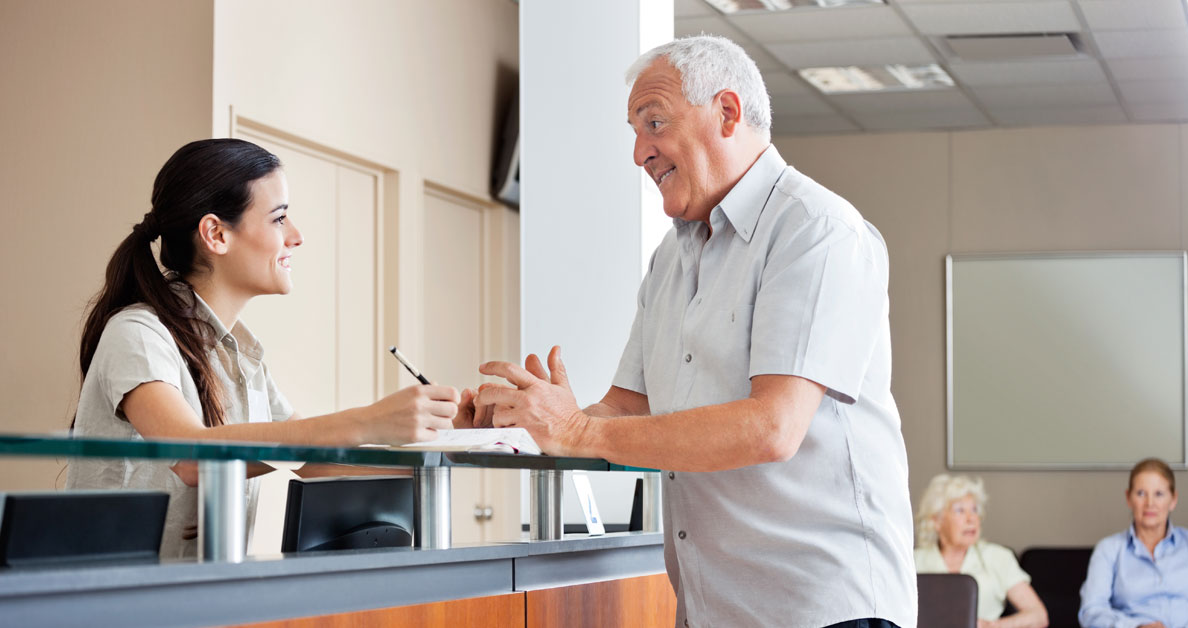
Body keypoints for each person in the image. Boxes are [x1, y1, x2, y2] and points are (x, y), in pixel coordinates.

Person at [471, 35, 917, 628]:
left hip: (822, 609)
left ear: (727, 112)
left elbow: (773, 427)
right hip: (714, 608)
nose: (639, 153)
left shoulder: (817, 230)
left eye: (654, 123)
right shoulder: (671, 257)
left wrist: (576, 430)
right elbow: (624, 410)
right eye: (635, 131)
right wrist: (530, 419)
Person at [67, 138, 467, 559]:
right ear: (216, 234)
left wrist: (452, 435)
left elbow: (314, 461)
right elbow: (191, 457)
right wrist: (367, 421)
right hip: (115, 593)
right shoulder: (136, 333)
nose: (297, 236)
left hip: (200, 591)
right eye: (279, 218)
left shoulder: (243, 356)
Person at [913, 474, 1049, 628]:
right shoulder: (914, 561)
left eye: (974, 510)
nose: (971, 519)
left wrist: (992, 626)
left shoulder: (998, 557)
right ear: (936, 521)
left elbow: (1039, 616)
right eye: (960, 510)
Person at [1079, 458, 1188, 628]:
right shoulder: (1109, 550)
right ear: (1128, 498)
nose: (1150, 503)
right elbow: (1091, 611)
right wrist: (1136, 627)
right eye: (1141, 493)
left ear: (1173, 499)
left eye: (1159, 494)